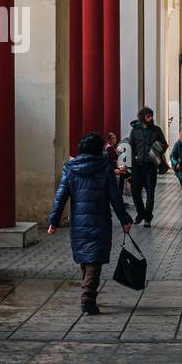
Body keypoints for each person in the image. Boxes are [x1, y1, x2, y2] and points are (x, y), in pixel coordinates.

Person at [46, 132, 134, 315]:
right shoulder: (104, 169)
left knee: (86, 257)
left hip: (78, 222)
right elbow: (115, 197)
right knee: (94, 259)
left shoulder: (70, 168)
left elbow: (60, 197)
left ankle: (88, 291)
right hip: (100, 221)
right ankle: (88, 296)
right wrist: (124, 219)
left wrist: (53, 221)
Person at [127, 107, 168, 227]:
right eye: (148, 116)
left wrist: (156, 150)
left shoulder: (156, 130)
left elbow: (164, 145)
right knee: (135, 192)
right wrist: (131, 161)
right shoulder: (135, 131)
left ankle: (148, 218)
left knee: (150, 192)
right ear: (142, 117)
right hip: (137, 166)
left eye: (151, 116)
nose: (151, 118)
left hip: (151, 166)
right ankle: (141, 213)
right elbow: (130, 146)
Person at [104, 131, 127, 200]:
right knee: (119, 184)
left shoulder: (110, 147)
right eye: (113, 138)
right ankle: (119, 198)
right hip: (113, 168)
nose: (115, 139)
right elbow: (112, 160)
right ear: (109, 139)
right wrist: (120, 167)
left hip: (114, 167)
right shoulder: (109, 148)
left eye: (115, 138)